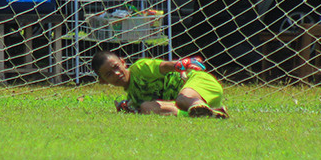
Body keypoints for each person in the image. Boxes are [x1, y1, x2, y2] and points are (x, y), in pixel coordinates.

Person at [92, 51, 229, 118]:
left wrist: (181, 64)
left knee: (182, 99)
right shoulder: (133, 97)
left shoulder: (139, 68)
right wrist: (129, 108)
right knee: (146, 107)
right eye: (109, 74)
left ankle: (197, 106)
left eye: (116, 67)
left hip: (199, 83)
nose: (116, 73)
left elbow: (162, 66)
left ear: (123, 62)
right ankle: (210, 113)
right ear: (103, 81)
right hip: (190, 101)